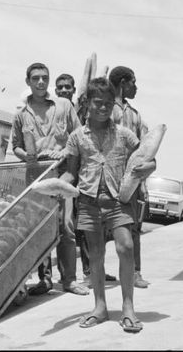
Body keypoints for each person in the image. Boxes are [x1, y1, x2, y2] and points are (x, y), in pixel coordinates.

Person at [60, 77, 155, 332]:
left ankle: (128, 308)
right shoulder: (76, 137)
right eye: (98, 103)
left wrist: (149, 167)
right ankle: (100, 308)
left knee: (125, 247)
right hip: (89, 203)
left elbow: (147, 159)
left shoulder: (125, 135)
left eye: (108, 104)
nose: (103, 108)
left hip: (119, 202)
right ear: (87, 103)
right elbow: (71, 173)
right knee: (97, 256)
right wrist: (58, 186)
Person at [11, 62, 89, 296]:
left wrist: (65, 152)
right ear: (28, 82)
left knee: (66, 227)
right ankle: (44, 280)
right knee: (40, 229)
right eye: (36, 78)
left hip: (63, 176)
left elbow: (79, 136)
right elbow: (15, 146)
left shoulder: (64, 106)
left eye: (45, 78)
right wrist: (28, 157)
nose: (41, 82)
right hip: (35, 179)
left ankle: (69, 280)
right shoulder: (20, 115)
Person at [55, 74, 117, 285]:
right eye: (60, 87)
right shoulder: (61, 113)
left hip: (103, 191)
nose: (64, 90)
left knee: (112, 243)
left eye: (68, 87)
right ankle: (86, 276)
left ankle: (93, 273)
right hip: (75, 186)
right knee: (75, 233)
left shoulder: (116, 132)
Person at [108, 65, 153, 289]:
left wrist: (142, 181)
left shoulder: (134, 115)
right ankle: (92, 272)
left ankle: (135, 272)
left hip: (131, 180)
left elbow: (143, 150)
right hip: (106, 178)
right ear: (123, 82)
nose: (136, 87)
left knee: (133, 226)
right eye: (133, 82)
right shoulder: (105, 108)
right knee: (97, 227)